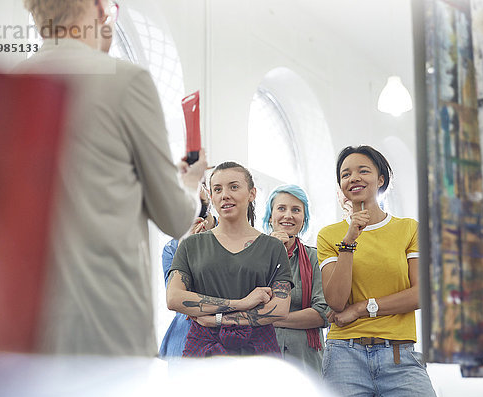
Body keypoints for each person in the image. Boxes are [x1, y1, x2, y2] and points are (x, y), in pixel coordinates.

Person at [18, 0, 207, 356]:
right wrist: (191, 182)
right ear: (98, 7)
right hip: (103, 316)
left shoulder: (12, 82)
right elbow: (175, 217)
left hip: (24, 317)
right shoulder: (125, 80)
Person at [317, 145, 437, 397]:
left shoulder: (408, 229)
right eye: (346, 174)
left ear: (380, 179)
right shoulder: (328, 235)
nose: (354, 178)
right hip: (344, 355)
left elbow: (420, 294)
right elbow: (336, 301)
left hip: (399, 355)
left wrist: (361, 308)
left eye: (363, 171)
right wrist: (349, 240)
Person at [167, 161, 293, 356]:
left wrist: (218, 319)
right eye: (217, 189)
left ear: (252, 193)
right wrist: (242, 303)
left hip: (258, 354)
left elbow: (280, 308)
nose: (225, 194)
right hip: (204, 353)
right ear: (211, 196)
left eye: (234, 187)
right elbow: (174, 298)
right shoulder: (190, 245)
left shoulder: (273, 247)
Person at [263, 184, 328, 374]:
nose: (288, 215)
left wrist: (268, 319)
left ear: (304, 218)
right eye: (281, 208)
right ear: (270, 215)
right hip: (261, 357)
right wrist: (273, 253)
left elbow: (322, 313)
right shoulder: (251, 255)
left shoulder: (316, 258)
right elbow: (245, 305)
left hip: (305, 360)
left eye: (296, 210)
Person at [159, 183, 217, 358]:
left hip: (228, 342)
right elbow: (178, 300)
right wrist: (186, 249)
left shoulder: (236, 238)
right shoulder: (172, 248)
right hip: (183, 343)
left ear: (207, 190)